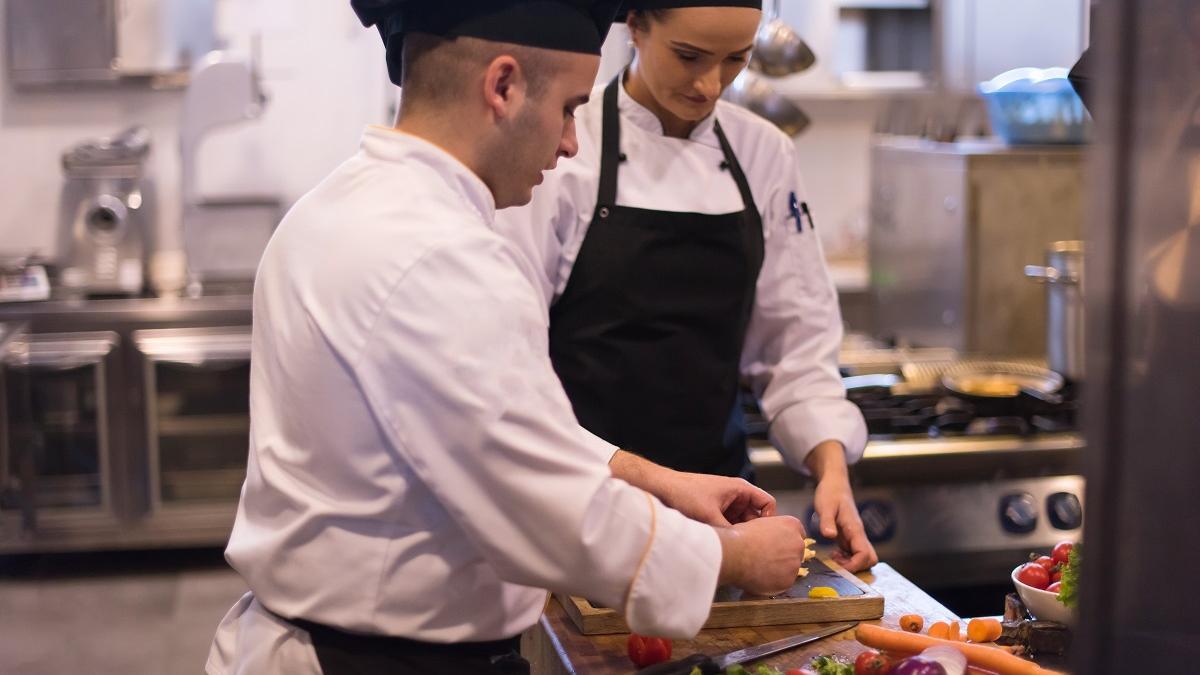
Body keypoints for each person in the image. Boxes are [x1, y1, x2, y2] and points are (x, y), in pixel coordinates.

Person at [205, 2, 811, 674]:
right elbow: (551, 508)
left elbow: (485, 429)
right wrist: (734, 558)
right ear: (503, 86)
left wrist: (657, 480)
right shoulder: (441, 257)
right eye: (571, 107)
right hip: (378, 659)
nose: (573, 142)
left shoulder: (343, 204)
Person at [494, 0, 879, 571]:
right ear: (636, 28)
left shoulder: (764, 154)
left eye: (735, 60)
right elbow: (512, 363)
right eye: (689, 56)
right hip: (582, 506)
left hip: (724, 510)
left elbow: (796, 346)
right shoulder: (567, 149)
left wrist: (832, 470)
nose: (709, 84)